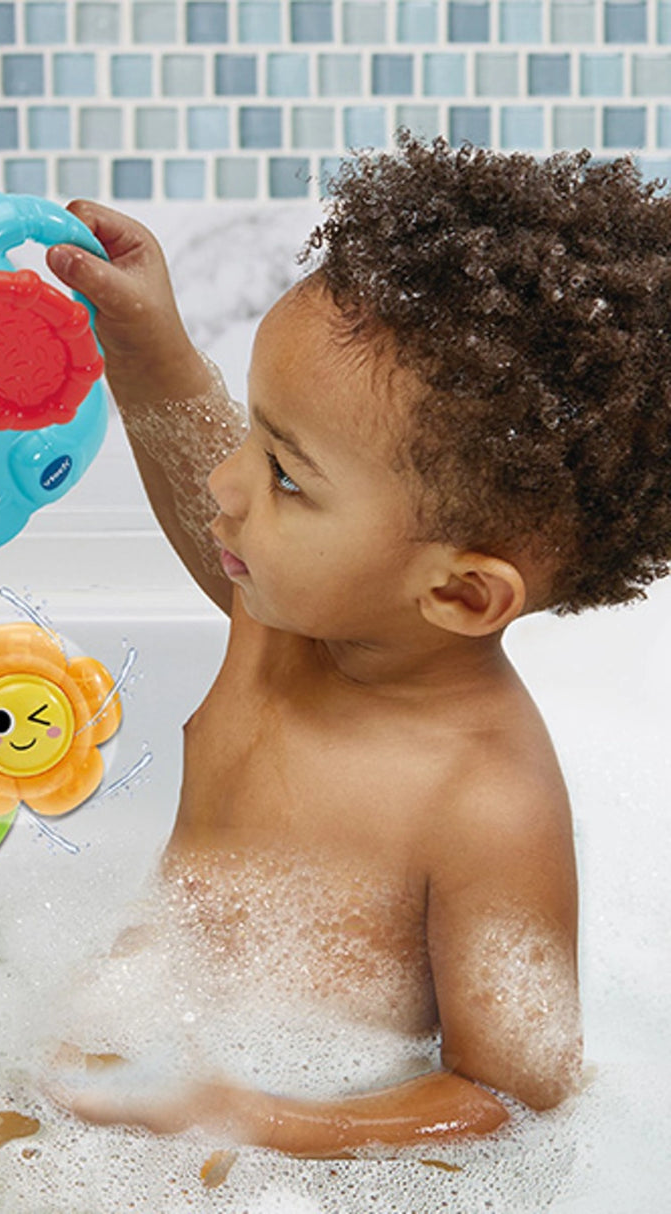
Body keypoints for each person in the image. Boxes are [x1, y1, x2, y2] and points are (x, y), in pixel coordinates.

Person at [35, 136, 671, 1157]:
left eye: (284, 473)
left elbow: (513, 1091)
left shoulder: (484, 801)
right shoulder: (285, 615)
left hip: (302, 1152)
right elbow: (201, 465)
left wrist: (259, 1122)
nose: (225, 486)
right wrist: (143, 342)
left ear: (460, 591)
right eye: (253, 434)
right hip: (133, 1072)